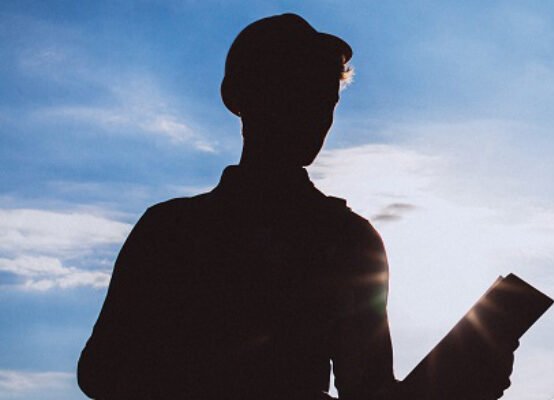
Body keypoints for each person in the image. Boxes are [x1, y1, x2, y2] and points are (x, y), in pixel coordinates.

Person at [78, 13, 515, 400]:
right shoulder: (170, 230)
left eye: (326, 102)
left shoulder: (349, 240)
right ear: (247, 99)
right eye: (296, 94)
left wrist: (466, 381)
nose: (317, 117)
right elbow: (99, 373)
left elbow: (369, 389)